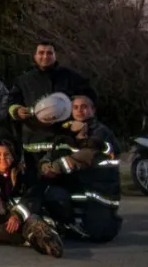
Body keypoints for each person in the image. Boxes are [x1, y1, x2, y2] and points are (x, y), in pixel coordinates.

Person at [6, 41, 95, 181]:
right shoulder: (23, 80)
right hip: (33, 141)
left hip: (63, 139)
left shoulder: (70, 77)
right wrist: (16, 110)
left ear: (55, 56)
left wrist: (77, 119)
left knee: (61, 182)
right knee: (35, 182)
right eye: (41, 53)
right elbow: (10, 101)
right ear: (35, 56)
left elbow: (89, 99)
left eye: (49, 53)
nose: (45, 56)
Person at [0, 140, 63, 257]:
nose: (2, 158)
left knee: (33, 218)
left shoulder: (24, 174)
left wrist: (17, 215)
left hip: (22, 215)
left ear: (13, 157)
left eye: (7, 154)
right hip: (0, 220)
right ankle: (33, 238)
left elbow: (32, 196)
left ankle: (48, 238)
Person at [39, 136, 122, 242]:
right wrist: (45, 166)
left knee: (101, 233)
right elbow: (50, 156)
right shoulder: (63, 135)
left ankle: (76, 226)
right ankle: (62, 224)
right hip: (73, 192)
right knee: (54, 196)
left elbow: (91, 154)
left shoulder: (100, 132)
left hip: (98, 196)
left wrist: (61, 164)